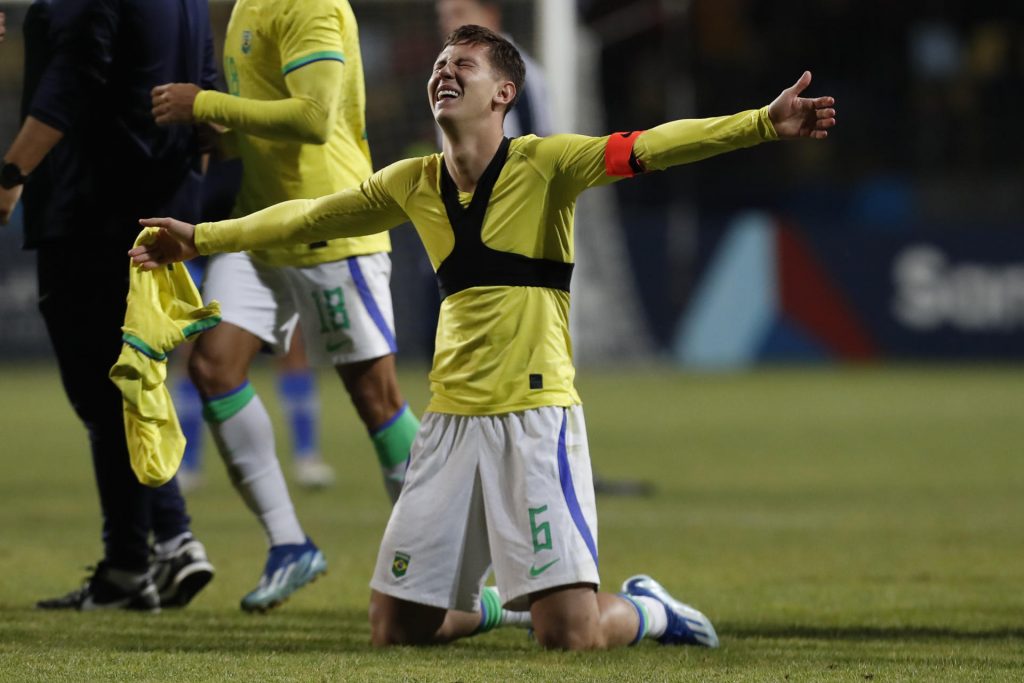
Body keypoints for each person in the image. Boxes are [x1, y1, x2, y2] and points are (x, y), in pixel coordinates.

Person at [131, 26, 836, 648]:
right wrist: (202, 238)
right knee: (398, 628)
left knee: (574, 636)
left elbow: (654, 146)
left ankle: (649, 610)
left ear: (503, 93)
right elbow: (308, 215)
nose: (445, 70)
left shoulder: (547, 164)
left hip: (533, 420)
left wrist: (763, 124)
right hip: (448, 428)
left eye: (463, 64)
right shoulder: (413, 182)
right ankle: (503, 606)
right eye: (441, 62)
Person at [148, 0, 420, 611]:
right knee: (214, 367)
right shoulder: (249, 5)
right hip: (258, 222)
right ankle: (289, 543)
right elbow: (269, 109)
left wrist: (205, 105)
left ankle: (449, 553)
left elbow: (315, 118)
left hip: (328, 223)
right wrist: (221, 130)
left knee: (376, 398)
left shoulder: (310, 4)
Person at [0, 0, 216, 611]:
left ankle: (159, 546)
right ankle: (148, 552)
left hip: (87, 209)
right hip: (157, 209)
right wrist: (184, 197)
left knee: (104, 390)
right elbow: (208, 102)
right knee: (127, 379)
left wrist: (12, 171)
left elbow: (72, 80)